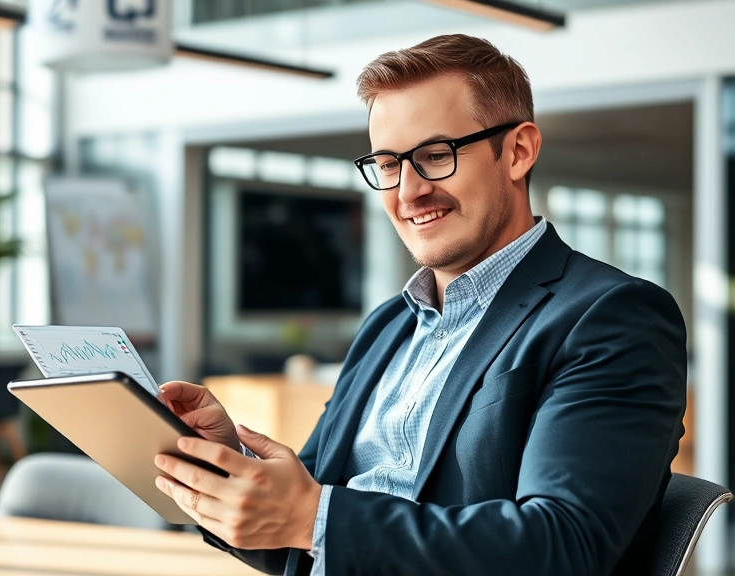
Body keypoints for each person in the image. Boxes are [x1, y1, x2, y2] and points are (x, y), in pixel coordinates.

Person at [153, 34, 687, 576]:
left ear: (519, 151)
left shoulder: (611, 317)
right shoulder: (389, 325)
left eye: (435, 156)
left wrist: (309, 514)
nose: (408, 192)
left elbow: (561, 547)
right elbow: (299, 532)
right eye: (387, 164)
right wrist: (228, 472)